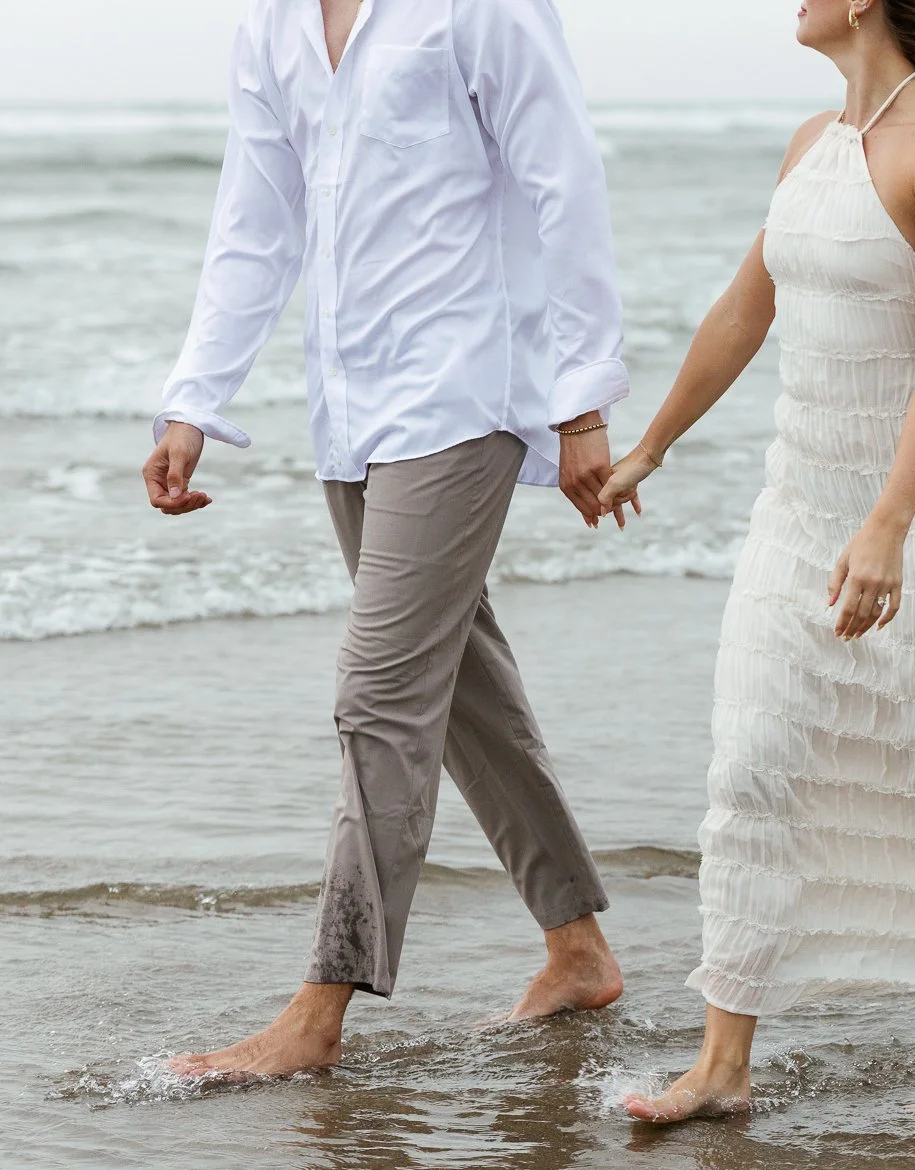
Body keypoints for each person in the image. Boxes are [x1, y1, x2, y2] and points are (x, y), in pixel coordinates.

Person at [597, 0, 915, 1119]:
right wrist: (651, 446)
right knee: (751, 768)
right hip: (798, 503)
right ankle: (722, 1065)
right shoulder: (812, 143)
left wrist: (890, 522)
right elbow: (744, 311)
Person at [143, 0, 631, 1079]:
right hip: (350, 401)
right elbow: (255, 219)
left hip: (467, 388)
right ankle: (579, 950)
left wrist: (583, 399)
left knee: (380, 694)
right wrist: (195, 399)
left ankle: (317, 1012)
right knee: (458, 688)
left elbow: (563, 179)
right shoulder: (273, 25)